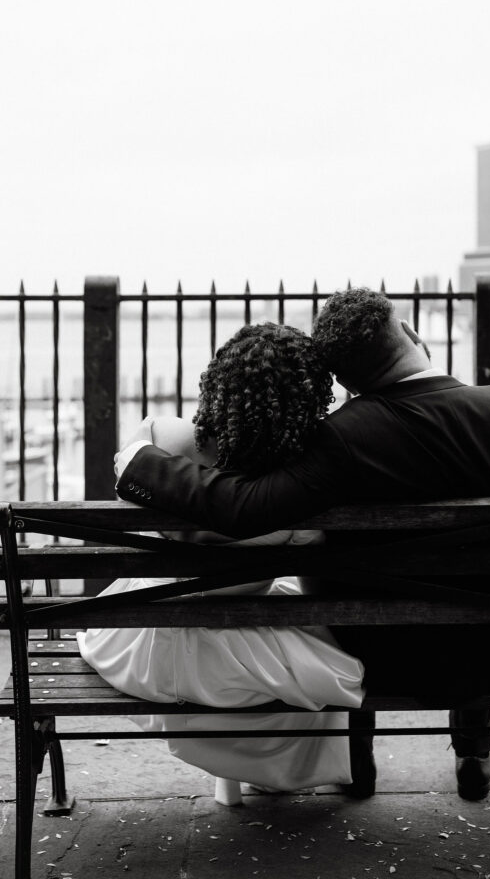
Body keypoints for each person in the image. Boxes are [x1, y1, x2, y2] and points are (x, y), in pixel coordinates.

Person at [115, 288, 490, 801]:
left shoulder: (344, 437)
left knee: (353, 580)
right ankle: (474, 750)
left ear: (346, 384)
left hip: (385, 657)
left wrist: (137, 461)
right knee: (476, 581)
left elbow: (244, 507)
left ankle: (359, 763)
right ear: (414, 336)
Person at [80, 323, 365, 796]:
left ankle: (236, 778)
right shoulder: (301, 480)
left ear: (217, 383)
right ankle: (266, 775)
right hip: (242, 658)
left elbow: (128, 460)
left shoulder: (162, 440)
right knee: (318, 655)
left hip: (148, 643)